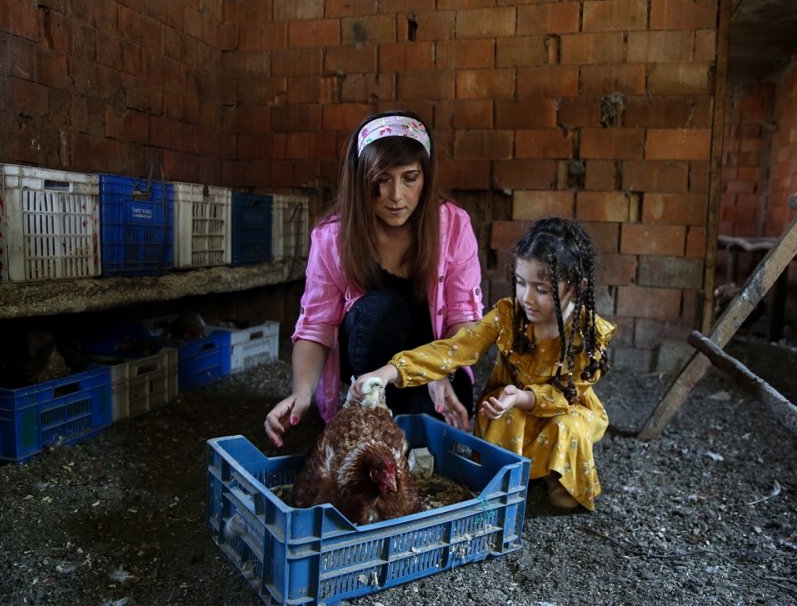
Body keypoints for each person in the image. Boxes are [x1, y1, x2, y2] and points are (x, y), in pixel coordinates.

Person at [350, 217, 616, 510]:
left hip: (565, 406)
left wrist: (525, 396)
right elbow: (453, 350)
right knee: (501, 414)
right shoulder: (507, 317)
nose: (526, 297)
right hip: (511, 404)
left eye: (541, 288)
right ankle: (515, 474)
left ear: (576, 289)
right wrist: (388, 372)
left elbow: (567, 395)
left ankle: (555, 472)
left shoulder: (588, 334)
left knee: (571, 428)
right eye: (520, 282)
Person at [264, 110, 484, 448]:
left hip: (435, 372)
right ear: (361, 178)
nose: (396, 195)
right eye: (381, 179)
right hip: (371, 367)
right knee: (382, 309)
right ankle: (366, 410)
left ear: (425, 177)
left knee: (426, 444)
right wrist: (301, 392)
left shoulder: (453, 225)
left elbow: (464, 320)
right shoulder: (333, 236)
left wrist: (441, 370)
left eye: (409, 178)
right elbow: (316, 325)